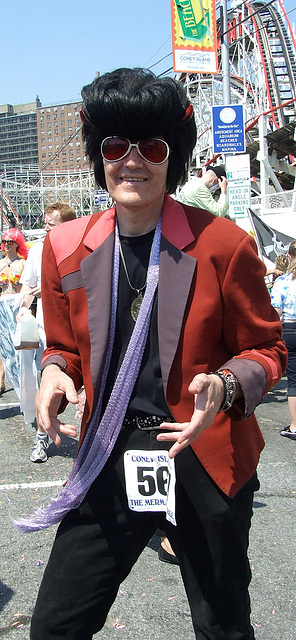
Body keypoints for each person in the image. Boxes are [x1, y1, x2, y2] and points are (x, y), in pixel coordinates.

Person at [15, 68, 287, 640]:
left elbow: (267, 348)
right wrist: (54, 371)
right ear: (99, 155)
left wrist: (226, 387)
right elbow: (63, 342)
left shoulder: (222, 244)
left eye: (152, 147)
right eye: (116, 145)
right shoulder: (66, 246)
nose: (132, 160)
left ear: (173, 157)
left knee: (223, 626)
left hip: (203, 451)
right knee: (55, 626)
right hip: (109, 453)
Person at [17, 202, 76, 462]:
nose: (46, 228)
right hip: (45, 331)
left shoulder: (78, 248)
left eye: (52, 224)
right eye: (46, 223)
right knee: (47, 383)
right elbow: (26, 287)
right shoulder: (37, 250)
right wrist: (23, 309)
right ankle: (41, 438)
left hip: (78, 331)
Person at [271, 240, 296, 440]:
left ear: (289, 257)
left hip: (290, 328)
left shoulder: (283, 282)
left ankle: (295, 426)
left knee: (294, 380)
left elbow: (275, 313)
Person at [0, 227, 28, 395]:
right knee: (1, 343)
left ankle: (22, 380)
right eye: (4, 241)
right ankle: (1, 379)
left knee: (17, 343)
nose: (6, 245)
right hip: (2, 302)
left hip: (16, 303)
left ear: (18, 244)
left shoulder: (22, 263)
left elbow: (26, 287)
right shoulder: (0, 264)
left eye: (10, 242)